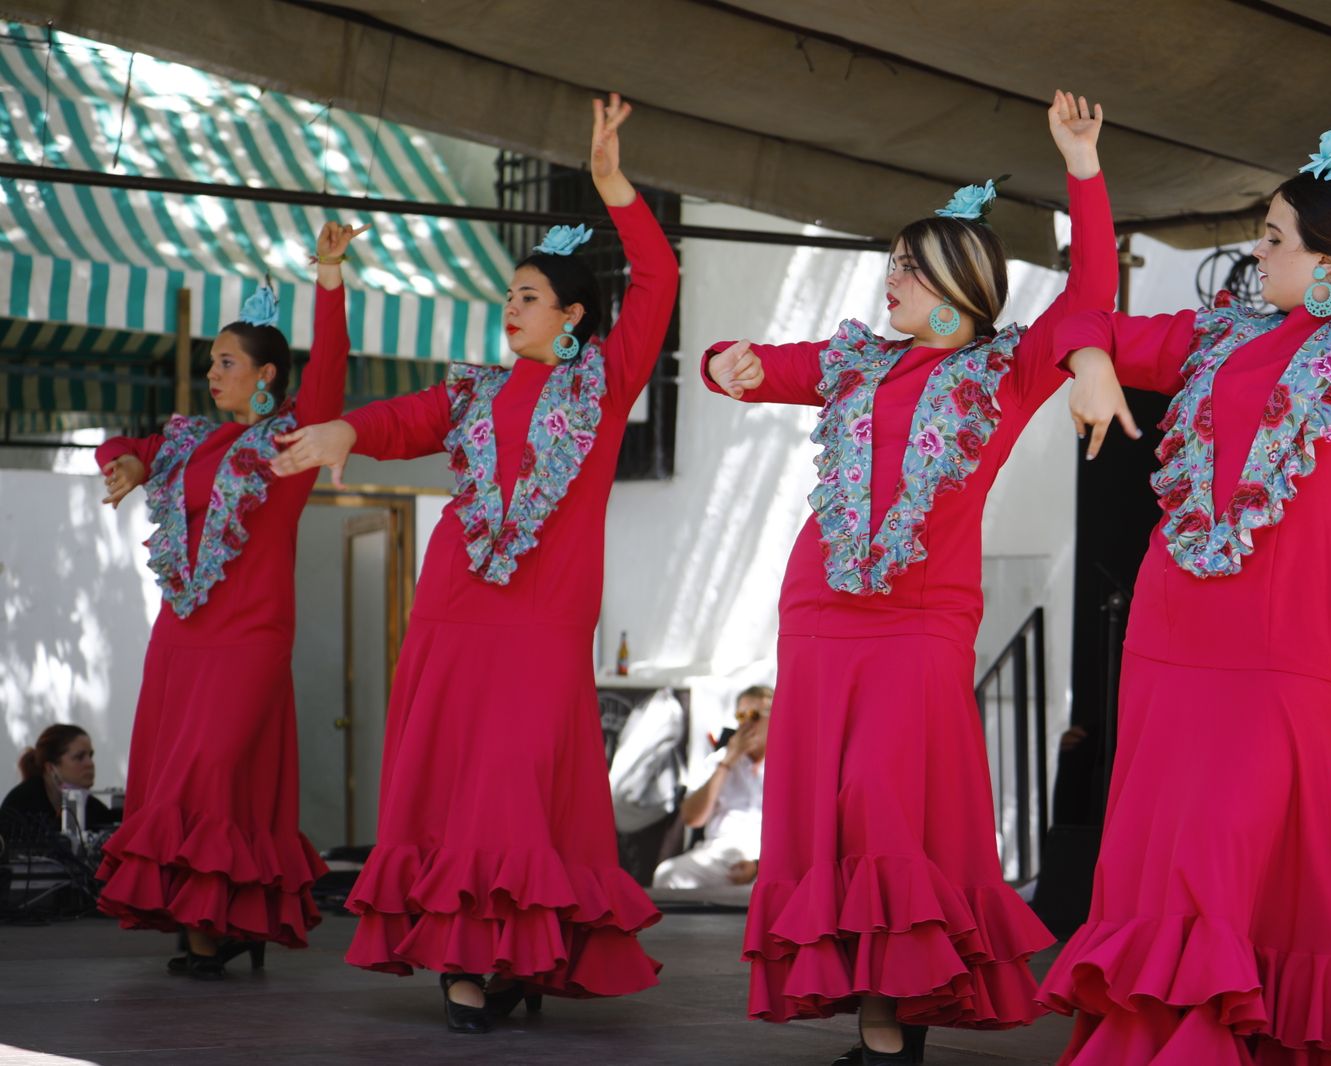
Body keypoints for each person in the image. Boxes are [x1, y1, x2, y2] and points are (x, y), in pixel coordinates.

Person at [1034, 80, 1331, 1063]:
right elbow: (1077, 322)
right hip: (1172, 635)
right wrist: (1085, 189)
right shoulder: (1214, 338)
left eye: (1269, 238)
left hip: (1283, 651)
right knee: (1160, 859)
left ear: (1329, 260)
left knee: (1231, 854)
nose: (1254, 256)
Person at [702, 91, 1117, 1063]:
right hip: (819, 608)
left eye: (906, 265)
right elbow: (767, 363)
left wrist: (1082, 171)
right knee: (833, 809)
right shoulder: (856, 363)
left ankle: (905, 998)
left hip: (919, 618)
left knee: (889, 799)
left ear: (957, 287)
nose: (888, 278)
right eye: (888, 262)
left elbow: (1089, 288)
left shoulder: (1005, 374)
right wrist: (734, 362)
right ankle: (881, 1019)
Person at [269, 95, 677, 1035]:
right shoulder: (475, 391)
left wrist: (613, 183)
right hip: (455, 605)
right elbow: (401, 420)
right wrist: (339, 427)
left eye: (528, 296)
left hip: (542, 618)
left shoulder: (604, 384)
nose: (511, 306)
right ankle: (465, 958)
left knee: (515, 778)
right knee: (458, 778)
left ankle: (520, 947)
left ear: (574, 316)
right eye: (509, 296)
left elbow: (655, 277)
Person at [91, 222, 361, 979]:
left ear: (267, 375)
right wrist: (131, 466)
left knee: (210, 771)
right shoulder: (189, 440)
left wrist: (331, 278)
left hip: (250, 637)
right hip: (181, 635)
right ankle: (212, 926)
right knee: (181, 776)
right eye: (212, 360)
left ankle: (220, 922)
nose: (214, 372)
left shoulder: (291, 445)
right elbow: (132, 445)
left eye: (227, 361)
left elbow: (333, 370)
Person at [653, 685, 773, 890]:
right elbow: (692, 818)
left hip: (769, 861)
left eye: (754, 715)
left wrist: (758, 865)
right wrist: (727, 762)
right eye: (740, 716)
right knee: (667, 876)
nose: (746, 724)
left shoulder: (790, 765)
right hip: (720, 857)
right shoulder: (718, 760)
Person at [1, 724, 115, 841]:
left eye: (90, 755)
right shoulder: (20, 806)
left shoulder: (94, 809)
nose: (90, 764)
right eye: (79, 757)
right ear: (51, 768)